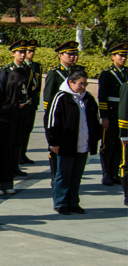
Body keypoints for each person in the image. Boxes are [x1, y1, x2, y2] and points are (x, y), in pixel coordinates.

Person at [45, 69, 101, 215]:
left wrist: (95, 137)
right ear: (71, 82)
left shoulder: (88, 98)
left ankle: (73, 202)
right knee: (63, 175)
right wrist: (53, 142)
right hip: (66, 145)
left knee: (76, 176)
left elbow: (94, 120)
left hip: (83, 144)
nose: (83, 87)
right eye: (80, 84)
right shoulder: (60, 97)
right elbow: (51, 122)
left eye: (85, 84)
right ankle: (60, 202)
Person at [42, 41, 83, 184]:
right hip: (60, 115)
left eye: (75, 54)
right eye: (69, 54)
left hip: (75, 115)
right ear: (60, 55)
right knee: (56, 147)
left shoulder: (78, 72)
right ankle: (55, 176)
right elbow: (48, 99)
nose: (73, 57)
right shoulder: (54, 73)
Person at [0, 68, 28, 196]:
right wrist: (14, 106)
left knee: (6, 154)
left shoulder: (9, 85)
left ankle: (6, 183)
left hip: (6, 121)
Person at [0, 40, 35, 177]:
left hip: (23, 109)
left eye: (24, 52)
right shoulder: (7, 70)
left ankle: (16, 165)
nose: (23, 55)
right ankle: (8, 166)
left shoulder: (28, 69)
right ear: (13, 53)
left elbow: (30, 89)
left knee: (19, 138)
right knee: (10, 138)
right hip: (12, 107)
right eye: (20, 52)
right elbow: (4, 89)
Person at [97, 42, 127, 186]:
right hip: (111, 113)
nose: (123, 58)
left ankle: (115, 172)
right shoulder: (107, 74)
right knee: (107, 144)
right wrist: (104, 117)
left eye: (125, 56)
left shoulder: (127, 73)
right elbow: (102, 97)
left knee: (119, 145)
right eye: (120, 56)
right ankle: (106, 173)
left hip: (123, 115)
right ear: (113, 57)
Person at [20, 39, 41, 165]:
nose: (31, 53)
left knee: (28, 128)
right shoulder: (22, 67)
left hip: (32, 101)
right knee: (21, 129)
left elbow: (38, 86)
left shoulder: (37, 66)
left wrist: (36, 101)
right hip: (22, 101)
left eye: (33, 51)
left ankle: (24, 152)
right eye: (29, 51)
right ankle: (18, 154)